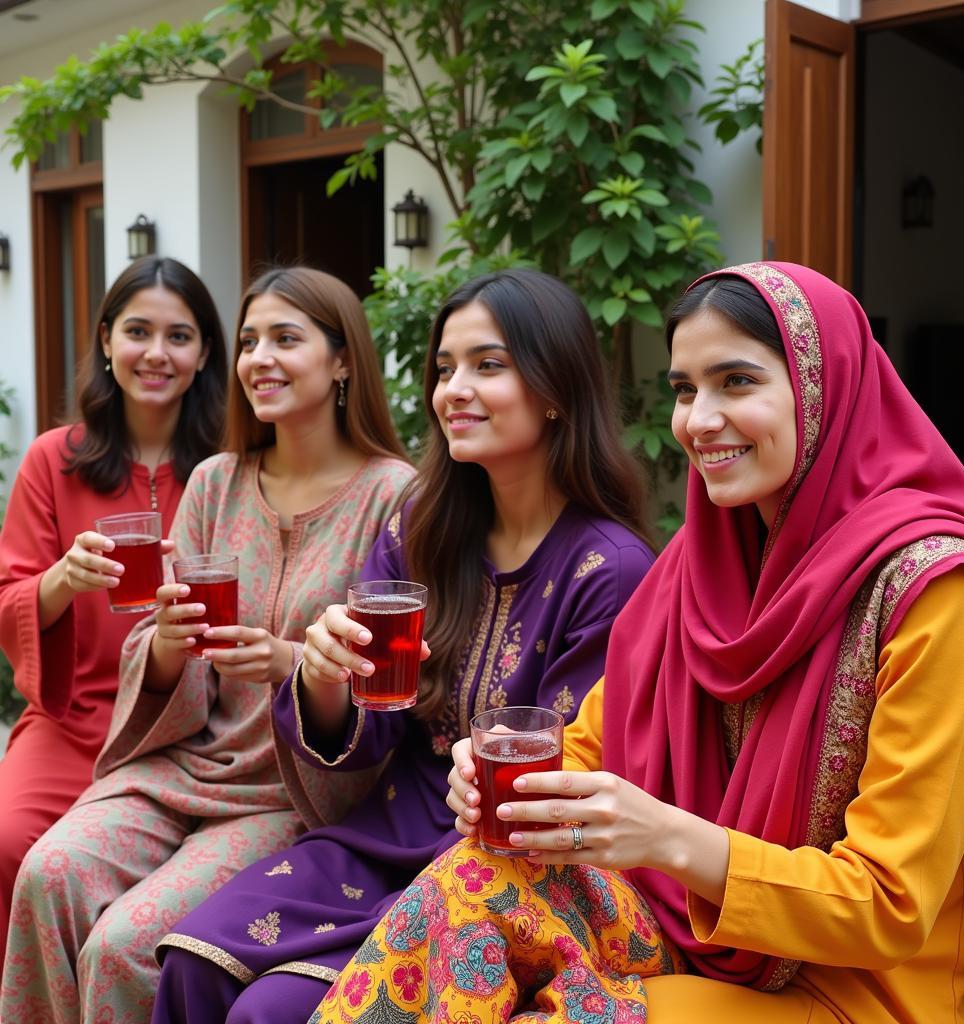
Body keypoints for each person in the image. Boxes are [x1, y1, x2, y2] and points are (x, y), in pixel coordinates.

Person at [308, 261, 964, 1024]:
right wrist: (506, 792)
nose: (699, 419)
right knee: (473, 875)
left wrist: (668, 838)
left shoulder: (937, 591)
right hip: (694, 934)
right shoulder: (704, 563)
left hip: (857, 990)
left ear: (826, 388)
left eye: (738, 382)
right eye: (685, 389)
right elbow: (591, 742)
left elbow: (891, 906)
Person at [150, 267, 657, 1024]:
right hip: (384, 828)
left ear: (556, 389)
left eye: (488, 365)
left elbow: (563, 786)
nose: (454, 388)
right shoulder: (423, 525)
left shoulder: (606, 568)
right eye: (444, 369)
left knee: (269, 1009)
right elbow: (370, 729)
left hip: (495, 867)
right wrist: (323, 677)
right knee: (191, 960)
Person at [0, 267, 414, 1024]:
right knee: (46, 873)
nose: (260, 357)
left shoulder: (394, 495)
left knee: (122, 945)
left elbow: (401, 674)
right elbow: (165, 662)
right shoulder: (218, 481)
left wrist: (293, 664)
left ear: (344, 359)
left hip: (288, 794)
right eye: (250, 340)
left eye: (286, 339)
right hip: (180, 764)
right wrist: (165, 643)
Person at [0, 256, 227, 964]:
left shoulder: (230, 466)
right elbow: (9, 598)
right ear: (105, 341)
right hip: (77, 722)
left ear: (204, 354)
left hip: (195, 734)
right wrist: (63, 581)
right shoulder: (54, 460)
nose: (156, 354)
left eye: (179, 336)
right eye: (137, 331)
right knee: (9, 842)